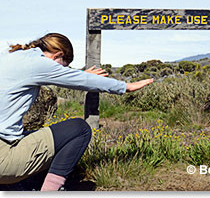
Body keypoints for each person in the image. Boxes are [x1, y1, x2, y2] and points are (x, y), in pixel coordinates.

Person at [0, 33, 154, 191]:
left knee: (32, 134)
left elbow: (67, 76)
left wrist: (79, 74)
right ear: (58, 55)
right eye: (63, 67)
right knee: (79, 129)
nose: (61, 71)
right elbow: (81, 81)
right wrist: (125, 87)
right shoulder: (38, 63)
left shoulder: (11, 56)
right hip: (3, 159)